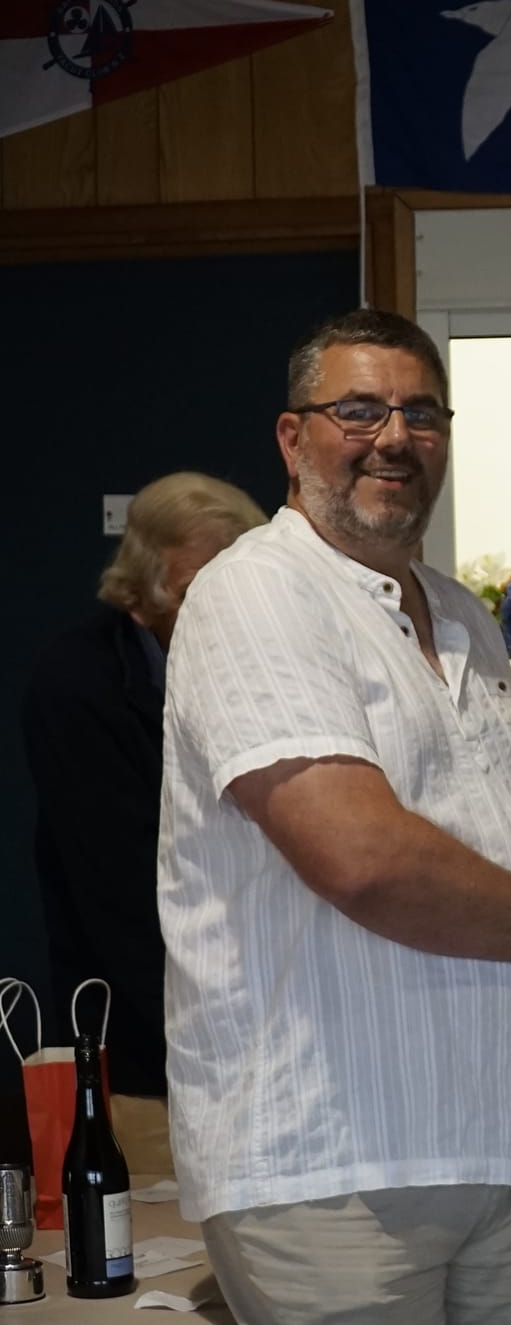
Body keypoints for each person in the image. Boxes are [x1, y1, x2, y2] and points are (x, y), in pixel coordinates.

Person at [157, 308, 511, 1325]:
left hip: (503, 1148)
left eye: (421, 413)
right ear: (293, 439)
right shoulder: (257, 594)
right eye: (358, 410)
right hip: (328, 1164)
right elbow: (361, 857)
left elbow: (496, 854)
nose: (394, 437)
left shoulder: (461, 615)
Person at [25, 472, 265, 1115]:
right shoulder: (77, 683)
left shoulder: (265, 674)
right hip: (150, 1051)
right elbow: (122, 897)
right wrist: (227, 1049)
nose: (226, 613)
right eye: (197, 593)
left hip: (269, 1028)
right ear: (142, 597)